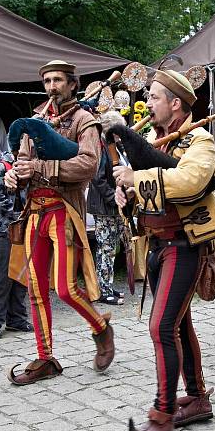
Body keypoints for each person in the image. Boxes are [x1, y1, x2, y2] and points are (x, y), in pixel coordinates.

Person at [114, 69, 215, 431]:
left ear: (175, 103)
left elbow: (189, 182)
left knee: (160, 327)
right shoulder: (153, 139)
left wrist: (136, 180)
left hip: (185, 245)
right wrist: (126, 198)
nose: (150, 104)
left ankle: (162, 414)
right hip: (157, 245)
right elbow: (147, 195)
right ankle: (196, 399)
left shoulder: (201, 140)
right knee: (178, 325)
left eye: (156, 98)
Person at [5, 60, 114, 385]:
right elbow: (22, 159)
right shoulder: (36, 119)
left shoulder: (84, 119)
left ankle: (101, 328)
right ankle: (45, 357)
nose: (51, 86)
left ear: (71, 84)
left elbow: (89, 165)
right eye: (47, 81)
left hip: (64, 211)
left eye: (57, 80)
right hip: (34, 213)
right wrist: (16, 174)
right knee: (36, 289)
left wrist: (41, 167)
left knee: (65, 289)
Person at [0, 149, 32, 339]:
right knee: (1, 278)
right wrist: (20, 213)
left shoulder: (29, 166)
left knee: (20, 276)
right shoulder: (3, 167)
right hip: (3, 230)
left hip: (22, 228)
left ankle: (16, 319)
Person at [87, 124, 125, 305]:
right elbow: (98, 178)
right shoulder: (101, 148)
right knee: (105, 248)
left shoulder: (114, 147)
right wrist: (113, 197)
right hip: (104, 207)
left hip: (112, 206)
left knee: (110, 247)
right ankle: (102, 290)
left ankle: (107, 285)